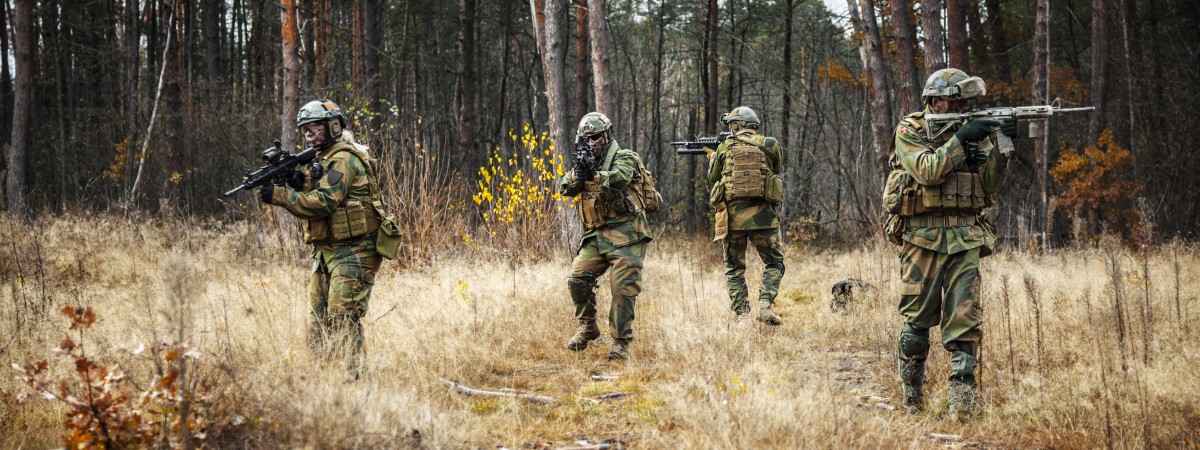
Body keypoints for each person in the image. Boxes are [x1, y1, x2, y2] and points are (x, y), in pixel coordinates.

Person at [888, 68, 1017, 419]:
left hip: (965, 239)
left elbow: (990, 185)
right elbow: (927, 170)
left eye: (966, 101)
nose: (963, 106)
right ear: (936, 100)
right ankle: (911, 401)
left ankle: (963, 409)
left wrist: (1003, 147)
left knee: (965, 323)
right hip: (922, 240)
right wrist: (961, 140)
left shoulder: (973, 129)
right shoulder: (910, 130)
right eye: (956, 100)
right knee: (916, 322)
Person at [259, 99, 390, 378]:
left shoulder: (345, 158)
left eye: (315, 129)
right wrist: (298, 181)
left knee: (343, 318)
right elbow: (319, 189)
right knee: (318, 323)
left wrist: (280, 195)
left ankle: (357, 382)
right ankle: (323, 383)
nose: (309, 136)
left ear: (333, 126)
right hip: (328, 252)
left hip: (356, 251)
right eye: (305, 130)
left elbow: (324, 202)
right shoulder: (324, 158)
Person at [558, 112, 653, 360]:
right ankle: (588, 326)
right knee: (577, 278)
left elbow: (620, 177)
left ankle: (620, 342)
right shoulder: (586, 160)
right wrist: (578, 174)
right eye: (586, 139)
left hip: (627, 234)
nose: (592, 143)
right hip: (597, 236)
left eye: (596, 137)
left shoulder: (625, 156)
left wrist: (597, 175)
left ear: (607, 135)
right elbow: (564, 187)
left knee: (622, 289)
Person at [704, 106, 786, 326]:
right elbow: (776, 168)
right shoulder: (770, 144)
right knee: (774, 263)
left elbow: (713, 177)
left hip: (732, 220)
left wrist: (713, 157)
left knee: (734, 269)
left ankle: (743, 316)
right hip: (764, 219)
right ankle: (766, 305)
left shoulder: (724, 147)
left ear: (736, 125)